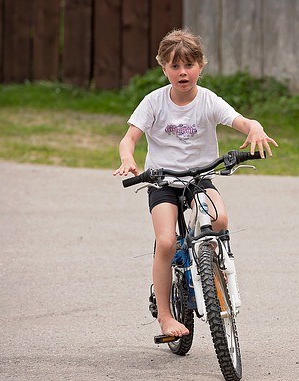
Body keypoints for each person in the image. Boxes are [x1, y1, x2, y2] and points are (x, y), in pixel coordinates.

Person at [113, 29, 278, 338]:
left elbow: (240, 121)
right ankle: (165, 316)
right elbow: (129, 138)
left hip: (199, 179)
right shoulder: (153, 102)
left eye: (189, 65)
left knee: (220, 218)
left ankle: (215, 272)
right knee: (165, 242)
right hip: (161, 181)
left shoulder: (208, 101)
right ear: (163, 68)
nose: (182, 72)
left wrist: (254, 127)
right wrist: (127, 159)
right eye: (174, 66)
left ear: (201, 65)